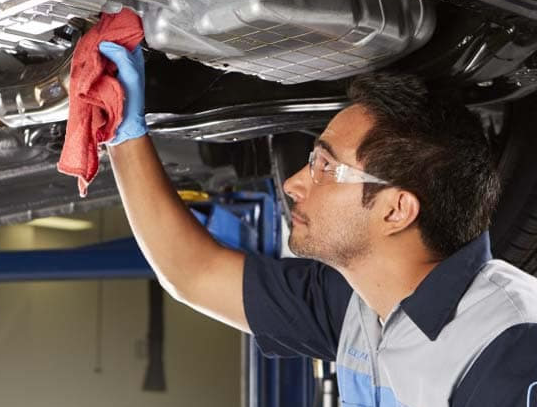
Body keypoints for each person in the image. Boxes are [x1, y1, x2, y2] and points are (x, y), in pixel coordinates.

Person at [98, 40, 537, 407]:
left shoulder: (512, 346)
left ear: (396, 210)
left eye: (326, 166)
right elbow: (196, 272)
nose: (292, 184)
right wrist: (123, 133)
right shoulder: (361, 302)